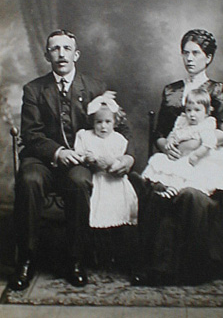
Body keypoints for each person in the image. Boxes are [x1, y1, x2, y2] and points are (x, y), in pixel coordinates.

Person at [9, 29, 134, 291]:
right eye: (55, 49)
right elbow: (31, 134)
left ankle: (75, 259)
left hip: (81, 161)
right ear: (47, 55)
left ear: (76, 54)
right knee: (29, 180)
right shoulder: (34, 89)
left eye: (66, 48)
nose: (61, 54)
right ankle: (26, 260)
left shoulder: (95, 88)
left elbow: (119, 126)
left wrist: (127, 157)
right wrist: (58, 152)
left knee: (79, 183)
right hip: (42, 158)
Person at [131, 29, 223, 286]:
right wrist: (165, 146)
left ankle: (173, 268)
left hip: (202, 161)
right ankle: (155, 264)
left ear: (208, 58)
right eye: (186, 52)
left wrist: (196, 146)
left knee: (188, 194)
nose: (189, 58)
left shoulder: (215, 89)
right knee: (157, 187)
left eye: (196, 53)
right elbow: (160, 132)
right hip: (174, 156)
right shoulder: (171, 90)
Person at [74, 95, 141, 277]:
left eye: (107, 122)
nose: (103, 127)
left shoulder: (118, 139)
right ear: (92, 122)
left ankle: (121, 257)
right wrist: (88, 159)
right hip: (98, 179)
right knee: (97, 214)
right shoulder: (85, 136)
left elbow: (120, 160)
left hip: (115, 181)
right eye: (99, 122)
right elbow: (79, 154)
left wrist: (113, 162)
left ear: (114, 122)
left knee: (120, 212)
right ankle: (98, 255)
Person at [142, 88, 223, 198]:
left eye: (197, 110)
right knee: (159, 159)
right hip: (180, 155)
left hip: (197, 159)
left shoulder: (206, 125)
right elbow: (174, 133)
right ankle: (145, 183)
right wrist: (170, 140)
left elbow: (209, 142)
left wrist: (196, 155)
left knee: (183, 168)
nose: (192, 114)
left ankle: (173, 190)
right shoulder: (183, 121)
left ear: (207, 112)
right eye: (189, 110)